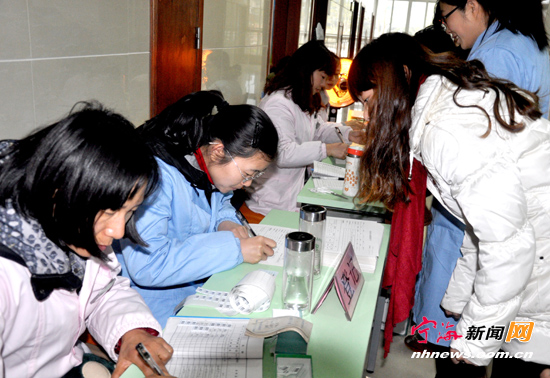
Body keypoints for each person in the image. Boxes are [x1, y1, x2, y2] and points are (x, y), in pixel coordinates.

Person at [348, 32, 550, 375]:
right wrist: (459, 300)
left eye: (369, 102)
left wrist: (475, 341)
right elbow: (481, 227)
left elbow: (506, 247)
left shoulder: (447, 131)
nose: (368, 117)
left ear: (401, 79)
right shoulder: (446, 106)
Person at [409, 1, 550, 373]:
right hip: (521, 239)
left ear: (472, 6)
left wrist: (474, 338)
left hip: (530, 251)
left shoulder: (496, 57)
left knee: (507, 354)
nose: (445, 26)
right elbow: (486, 220)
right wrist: (458, 297)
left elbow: (502, 241)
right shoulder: (519, 44)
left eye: (445, 15)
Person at [0, 102, 175, 378]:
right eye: (107, 213)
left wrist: (131, 332)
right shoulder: (5, 272)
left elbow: (104, 292)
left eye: (130, 212)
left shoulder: (72, 225)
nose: (118, 231)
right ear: (57, 192)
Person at [114, 90, 278, 327]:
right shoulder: (154, 179)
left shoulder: (201, 159)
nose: (248, 183)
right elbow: (148, 265)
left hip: (196, 287)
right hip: (151, 308)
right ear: (218, 150)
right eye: (247, 174)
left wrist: (226, 221)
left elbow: (220, 197)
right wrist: (234, 250)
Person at [243, 40, 364, 220]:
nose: (323, 84)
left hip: (289, 197)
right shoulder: (278, 104)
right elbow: (283, 153)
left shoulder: (299, 98)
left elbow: (317, 131)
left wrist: (347, 134)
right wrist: (327, 149)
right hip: (269, 202)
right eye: (322, 77)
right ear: (307, 69)